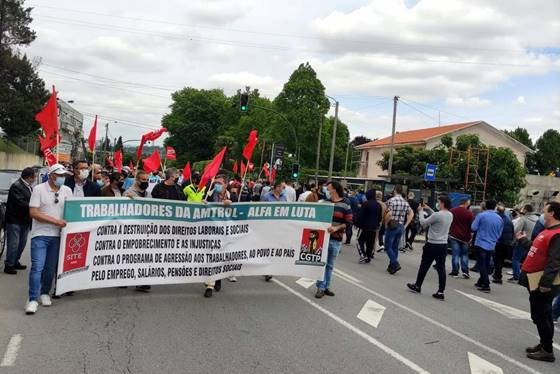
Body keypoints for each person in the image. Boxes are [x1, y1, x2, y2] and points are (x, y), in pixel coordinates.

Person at [25, 164, 73, 314]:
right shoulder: (39, 189)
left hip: (58, 236)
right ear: (52, 175)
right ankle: (32, 299)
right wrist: (55, 222)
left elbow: (72, 210)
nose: (62, 178)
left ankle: (44, 292)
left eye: (64, 175)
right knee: (37, 267)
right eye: (60, 175)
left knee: (50, 268)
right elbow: (33, 212)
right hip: (40, 235)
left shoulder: (67, 190)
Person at [516, 201, 560, 362]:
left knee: (541, 315)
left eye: (545, 210)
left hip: (542, 283)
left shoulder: (557, 234)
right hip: (534, 280)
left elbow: (554, 262)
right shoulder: (547, 231)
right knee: (542, 314)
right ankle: (544, 344)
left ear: (552, 213)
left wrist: (545, 284)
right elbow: (535, 250)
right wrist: (523, 240)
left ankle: (547, 350)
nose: (542, 212)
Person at [315, 181, 353, 298]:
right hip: (322, 238)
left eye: (328, 188)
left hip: (336, 239)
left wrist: (337, 228)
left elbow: (349, 222)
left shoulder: (346, 204)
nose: (326, 190)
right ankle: (320, 287)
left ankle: (326, 286)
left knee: (330, 265)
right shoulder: (324, 202)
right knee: (322, 263)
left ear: (334, 190)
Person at [203, 174, 235, 297]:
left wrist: (231, 203)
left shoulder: (231, 196)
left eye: (220, 183)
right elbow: (201, 207)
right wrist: (204, 203)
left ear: (226, 184)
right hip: (211, 231)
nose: (217, 185)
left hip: (226, 232)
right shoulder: (209, 193)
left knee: (222, 257)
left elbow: (240, 210)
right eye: (216, 182)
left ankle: (219, 278)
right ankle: (209, 286)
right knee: (212, 256)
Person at [4, 167, 36, 274]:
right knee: (14, 244)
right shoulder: (16, 186)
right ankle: (9, 265)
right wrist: (34, 207)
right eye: (34, 176)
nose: (35, 178)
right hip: (15, 220)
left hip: (25, 220)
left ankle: (15, 261)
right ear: (29, 177)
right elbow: (20, 202)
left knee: (22, 243)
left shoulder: (28, 186)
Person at [471, 200, 503, 293]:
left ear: (485, 206)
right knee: (486, 263)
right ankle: (481, 281)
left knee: (482, 265)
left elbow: (473, 228)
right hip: (492, 244)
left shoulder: (481, 215)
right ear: (495, 207)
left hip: (481, 242)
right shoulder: (499, 218)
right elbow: (499, 233)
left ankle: (486, 284)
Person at [384, 185, 414, 274]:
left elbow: (389, 214)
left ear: (395, 190)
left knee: (388, 246)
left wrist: (386, 223)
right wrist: (406, 225)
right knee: (395, 247)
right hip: (401, 226)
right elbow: (411, 213)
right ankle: (392, 266)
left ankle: (395, 263)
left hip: (392, 225)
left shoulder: (392, 200)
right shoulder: (405, 202)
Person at [511, 204, 539, 282]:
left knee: (515, 259)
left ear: (526, 210)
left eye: (523, 209)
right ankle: (521, 276)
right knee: (523, 260)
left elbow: (516, 230)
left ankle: (516, 276)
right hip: (530, 242)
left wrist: (513, 240)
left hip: (521, 240)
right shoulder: (536, 219)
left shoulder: (523, 219)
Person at [448, 198, 474, 279]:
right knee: (464, 255)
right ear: (466, 203)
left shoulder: (452, 211)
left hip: (454, 235)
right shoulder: (469, 213)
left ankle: (455, 271)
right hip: (465, 237)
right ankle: (465, 272)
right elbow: (472, 227)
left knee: (455, 254)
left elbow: (449, 222)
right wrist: (471, 237)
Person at [355, 189, 382, 264]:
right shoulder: (378, 205)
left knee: (359, 241)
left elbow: (361, 215)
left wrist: (357, 224)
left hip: (364, 226)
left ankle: (363, 255)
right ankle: (368, 257)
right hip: (373, 227)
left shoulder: (366, 204)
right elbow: (379, 217)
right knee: (370, 243)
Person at [492, 203, 514, 284]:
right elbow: (512, 232)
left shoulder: (497, 219)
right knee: (500, 260)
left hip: (499, 242)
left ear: (497, 210)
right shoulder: (508, 220)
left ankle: (497, 276)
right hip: (507, 243)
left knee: (497, 260)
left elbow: (497, 232)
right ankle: (497, 275)